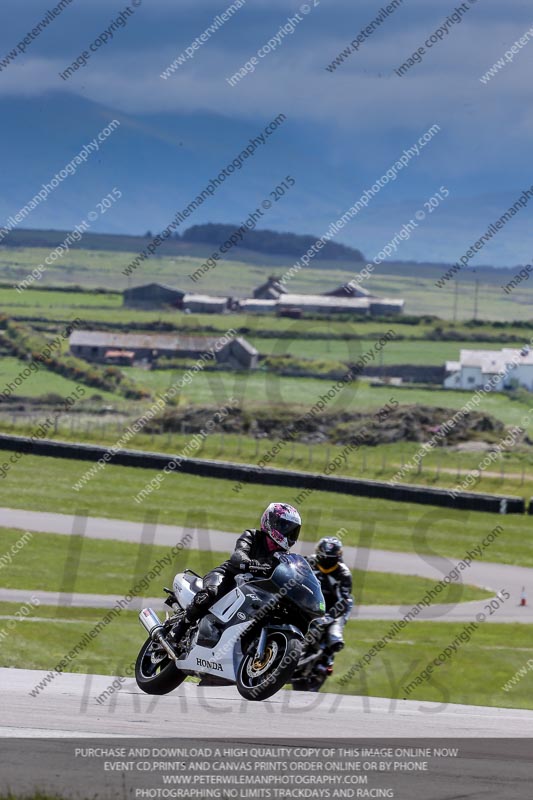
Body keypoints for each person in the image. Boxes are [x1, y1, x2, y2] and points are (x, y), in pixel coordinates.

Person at [171, 502, 302, 644]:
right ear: (271, 522)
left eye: (293, 531)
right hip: (228, 576)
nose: (288, 534)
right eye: (285, 527)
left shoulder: (284, 557)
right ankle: (179, 629)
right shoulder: (252, 536)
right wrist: (249, 562)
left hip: (253, 590)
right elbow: (238, 554)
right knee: (210, 593)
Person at [304, 536, 353, 679]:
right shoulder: (309, 562)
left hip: (333, 608)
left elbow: (344, 600)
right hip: (309, 603)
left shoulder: (343, 573)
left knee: (335, 637)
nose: (326, 561)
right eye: (323, 557)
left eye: (330, 558)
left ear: (338, 557)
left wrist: (328, 617)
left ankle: (327, 660)